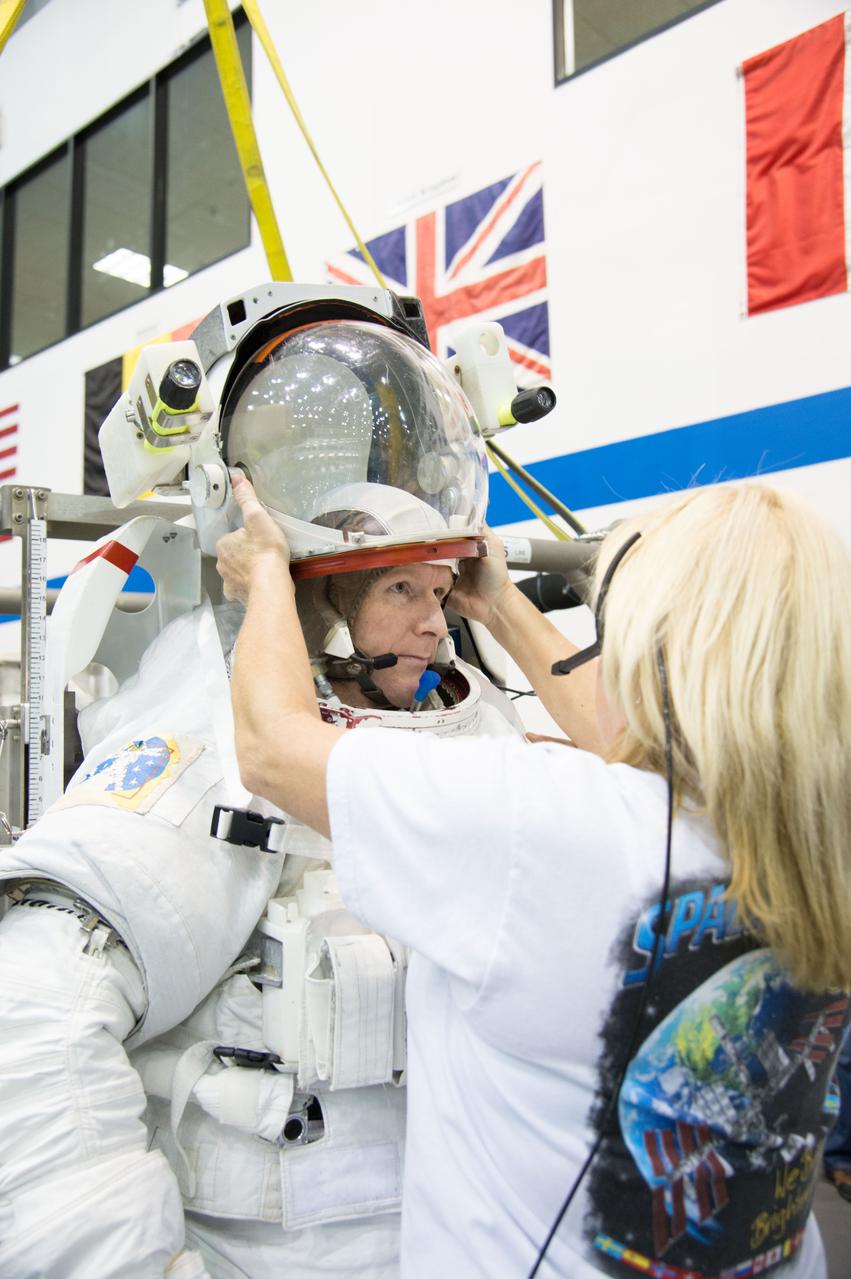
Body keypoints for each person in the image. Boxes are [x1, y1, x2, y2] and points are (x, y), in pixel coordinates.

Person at [0, 304, 525, 1278]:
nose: (431, 624)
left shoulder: (469, 715)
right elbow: (35, 1016)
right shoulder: (211, 736)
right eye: (398, 593)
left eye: (438, 590)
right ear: (319, 601)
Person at [217, 473, 851, 1279]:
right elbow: (648, 741)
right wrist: (500, 605)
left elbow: (273, 744)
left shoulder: (540, 820)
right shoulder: (818, 835)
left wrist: (265, 575)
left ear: (662, 659)